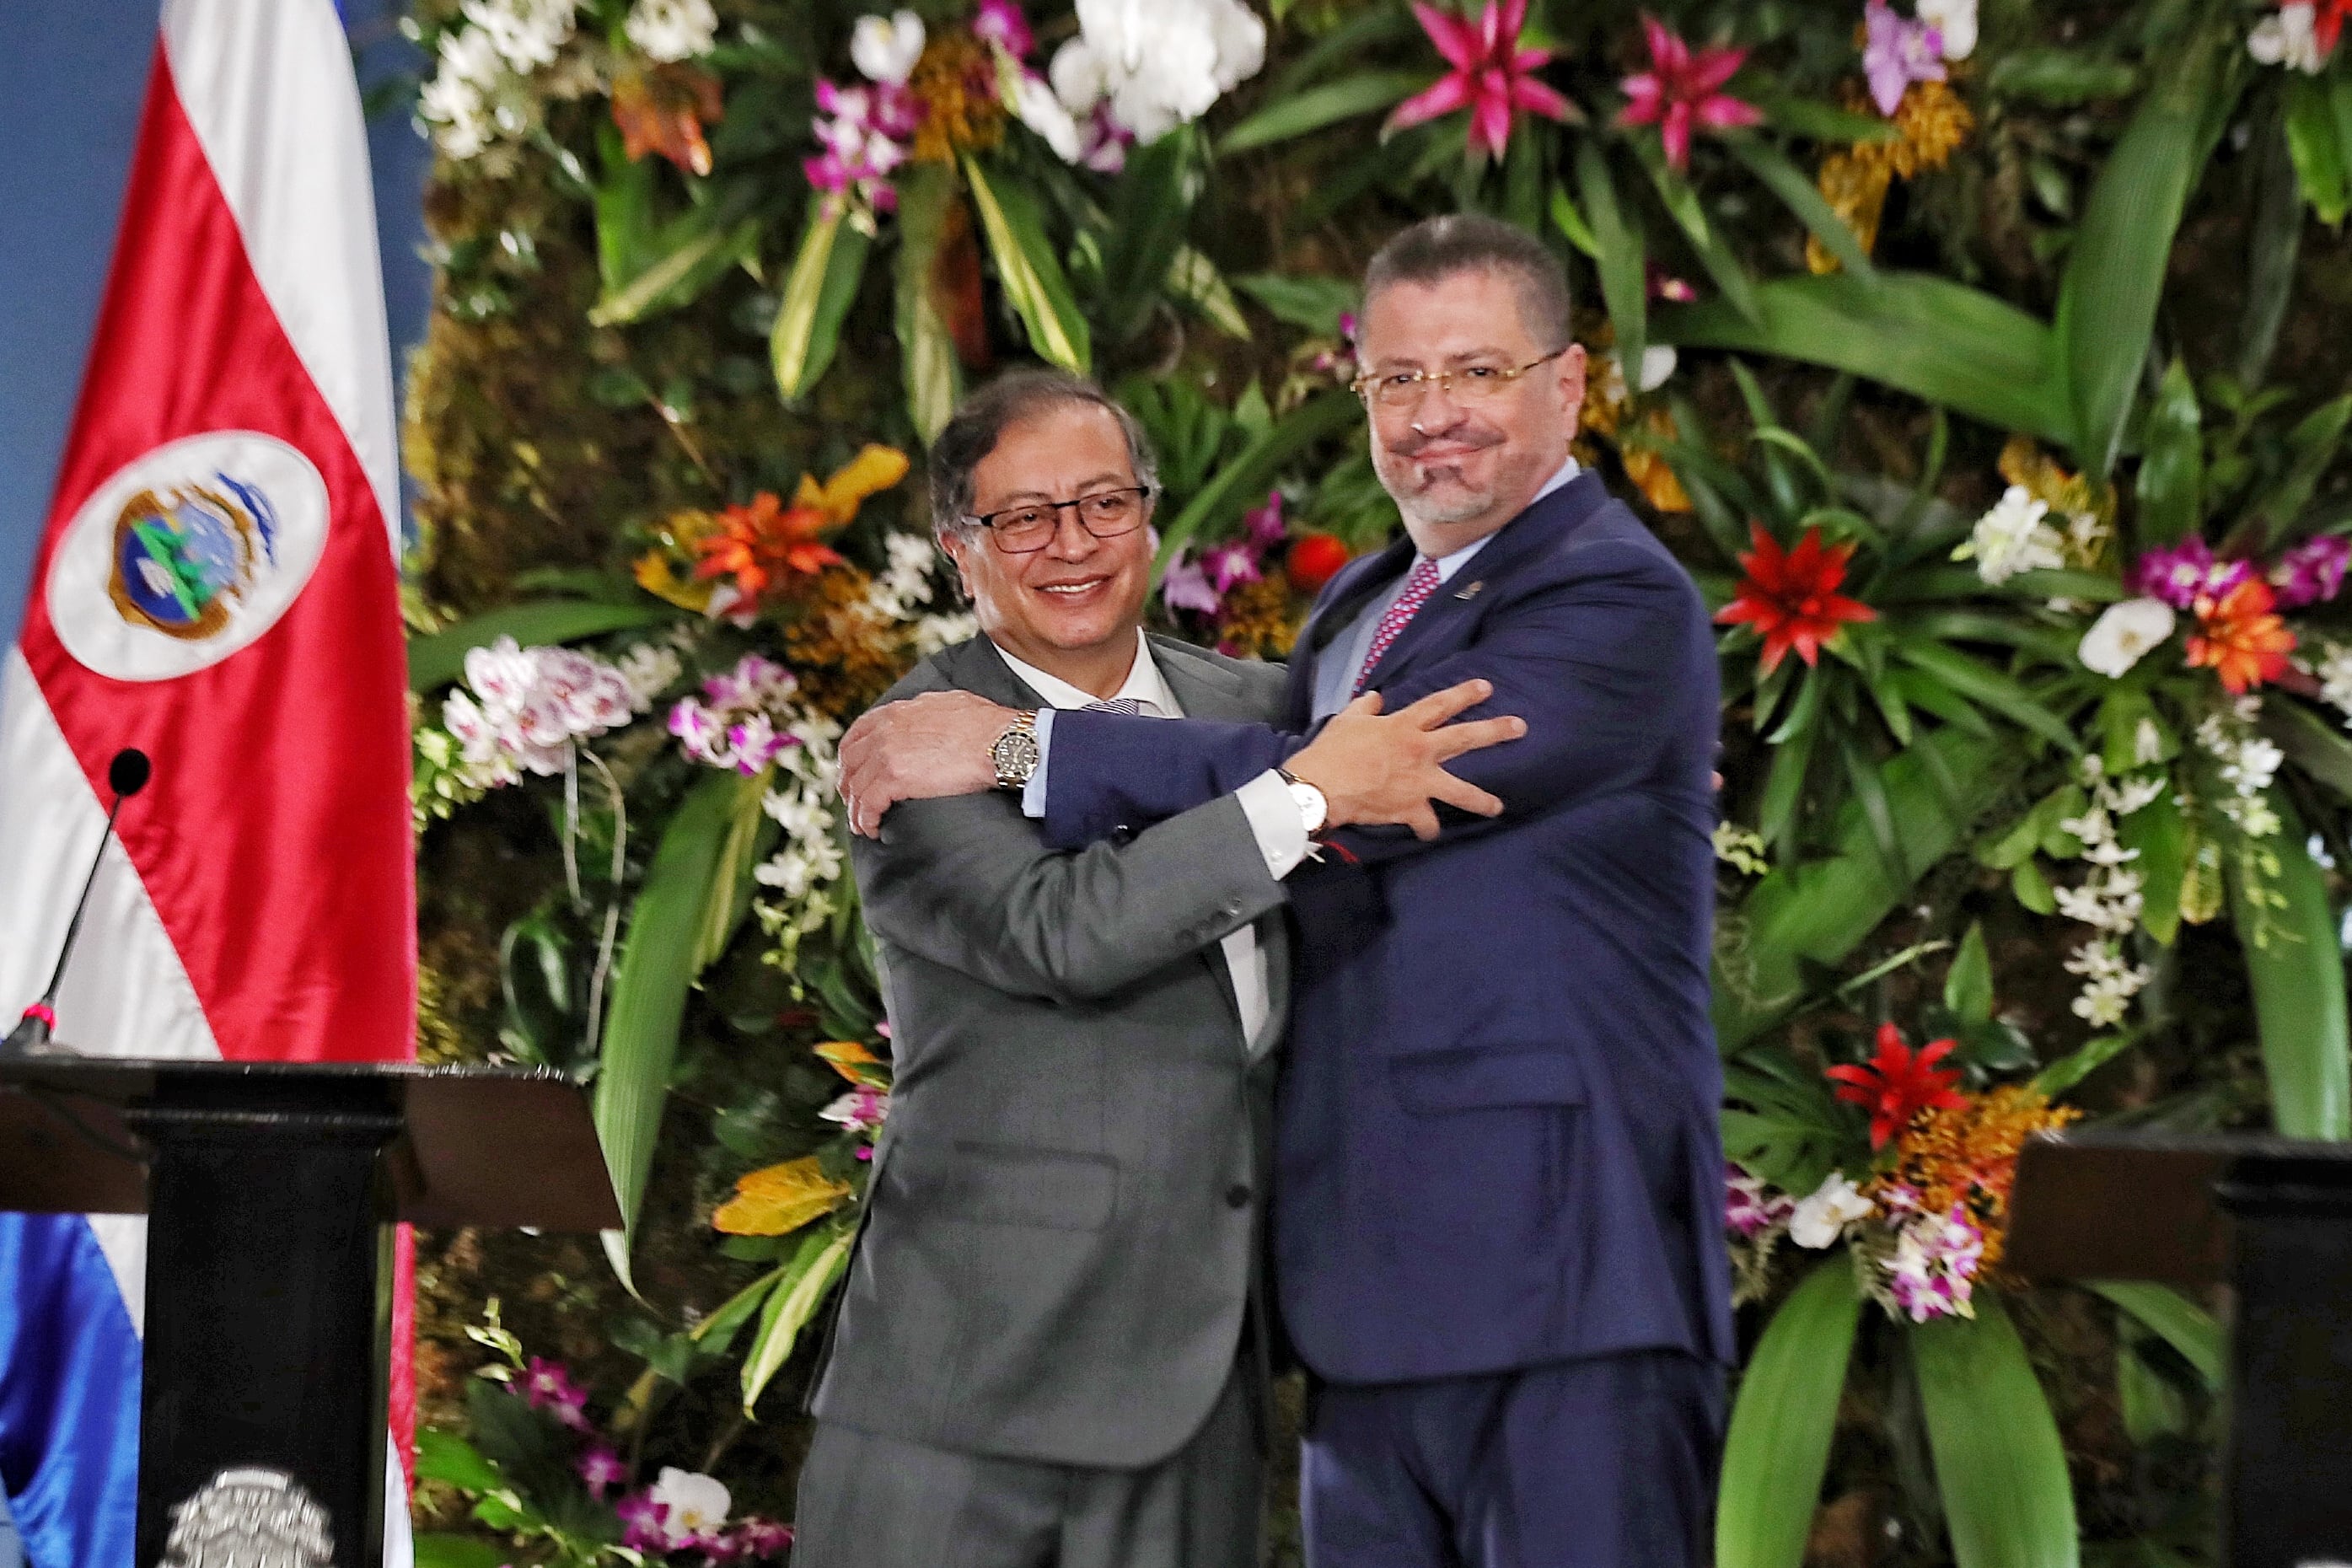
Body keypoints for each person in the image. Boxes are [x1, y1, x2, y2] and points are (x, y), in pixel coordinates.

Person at [835, 214, 1733, 1568]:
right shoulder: (1353, 616)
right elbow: (1231, 829)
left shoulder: (1611, 597)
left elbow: (1374, 786)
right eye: (1399, 381)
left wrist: (1033, 749)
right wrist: (1291, 778)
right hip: (1338, 1313)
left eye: (1477, 373)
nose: (1435, 416)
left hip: (1561, 1285)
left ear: (1568, 385)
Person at [792, 368, 1521, 1568]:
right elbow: (1061, 930)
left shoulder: (1260, 704)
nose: (1071, 545)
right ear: (956, 549)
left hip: (1196, 1381)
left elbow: (1460, 787)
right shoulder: (916, 740)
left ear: (1149, 514)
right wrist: (1306, 791)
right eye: (1023, 518)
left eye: (1104, 504)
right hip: (971, 1389)